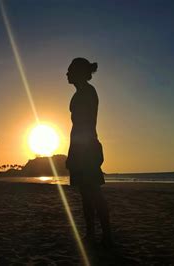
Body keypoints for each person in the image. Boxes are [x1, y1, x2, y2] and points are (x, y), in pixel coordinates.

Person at [65, 57, 111, 245]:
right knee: (86, 193)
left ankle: (107, 234)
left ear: (79, 72)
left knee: (93, 192)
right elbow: (77, 127)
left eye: (69, 70)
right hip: (81, 148)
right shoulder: (79, 94)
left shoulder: (88, 93)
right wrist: (71, 151)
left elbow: (85, 126)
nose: (66, 73)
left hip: (88, 148)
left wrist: (77, 151)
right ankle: (91, 233)